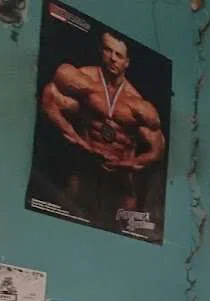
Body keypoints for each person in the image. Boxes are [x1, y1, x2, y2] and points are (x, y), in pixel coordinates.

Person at [39, 30, 166, 232]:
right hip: (85, 174)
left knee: (122, 239)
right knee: (66, 229)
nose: (113, 58)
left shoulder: (137, 104)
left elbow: (157, 149)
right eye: (108, 50)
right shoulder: (83, 81)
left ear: (127, 62)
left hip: (120, 184)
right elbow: (49, 98)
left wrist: (126, 164)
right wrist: (78, 140)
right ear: (101, 51)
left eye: (119, 55)